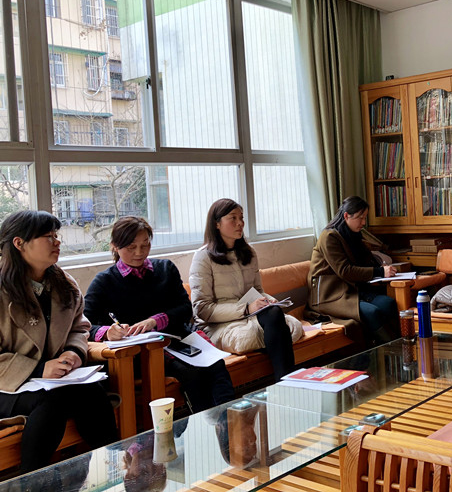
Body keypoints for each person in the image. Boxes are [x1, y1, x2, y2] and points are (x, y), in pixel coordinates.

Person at [0, 210, 117, 474]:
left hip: (51, 383)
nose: (57, 242)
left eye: (56, 235)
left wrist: (74, 352)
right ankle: (31, 481)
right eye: (48, 236)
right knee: (52, 401)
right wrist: (40, 369)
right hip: (6, 385)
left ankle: (119, 467)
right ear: (19, 243)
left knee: (90, 391)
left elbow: (79, 327)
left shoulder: (64, 283)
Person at [84, 216, 236, 413]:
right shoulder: (104, 282)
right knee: (188, 372)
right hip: (144, 353)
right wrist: (107, 332)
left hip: (178, 339)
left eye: (145, 245)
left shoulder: (165, 269)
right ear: (114, 246)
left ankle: (230, 420)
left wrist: (155, 321)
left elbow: (185, 308)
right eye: (131, 247)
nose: (139, 253)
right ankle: (205, 423)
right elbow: (85, 325)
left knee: (216, 365)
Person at [190, 199, 297, 380]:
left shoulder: (248, 252)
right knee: (277, 329)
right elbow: (202, 309)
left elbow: (257, 290)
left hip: (250, 315)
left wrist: (267, 300)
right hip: (219, 323)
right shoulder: (203, 257)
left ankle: (286, 380)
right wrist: (246, 309)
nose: (240, 223)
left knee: (274, 313)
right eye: (233, 218)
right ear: (216, 224)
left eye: (241, 218)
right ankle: (287, 380)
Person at [308, 196, 400, 347]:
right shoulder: (329, 237)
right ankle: (392, 348)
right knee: (372, 312)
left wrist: (379, 265)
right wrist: (380, 272)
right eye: (360, 218)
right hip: (332, 294)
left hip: (353, 290)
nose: (363, 222)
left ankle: (397, 345)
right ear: (346, 216)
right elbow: (345, 271)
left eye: (365, 218)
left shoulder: (354, 234)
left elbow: (365, 260)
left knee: (388, 303)